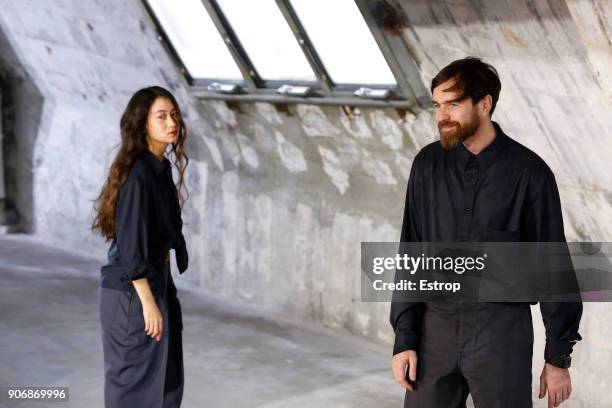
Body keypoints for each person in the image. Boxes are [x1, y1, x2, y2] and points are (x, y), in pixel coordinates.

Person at [390, 57, 582, 408]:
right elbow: (411, 254)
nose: (441, 116)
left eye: (453, 104)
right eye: (437, 105)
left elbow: (553, 268)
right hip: (436, 329)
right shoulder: (427, 165)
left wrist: (558, 358)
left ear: (484, 104)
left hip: (501, 333)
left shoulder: (530, 174)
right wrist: (405, 339)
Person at [91, 86, 189, 408]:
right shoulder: (139, 177)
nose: (171, 122)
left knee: (166, 381)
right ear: (142, 123)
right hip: (133, 294)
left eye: (173, 114)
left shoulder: (157, 168)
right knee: (135, 389)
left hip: (155, 284)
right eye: (161, 116)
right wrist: (148, 303)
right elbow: (132, 247)